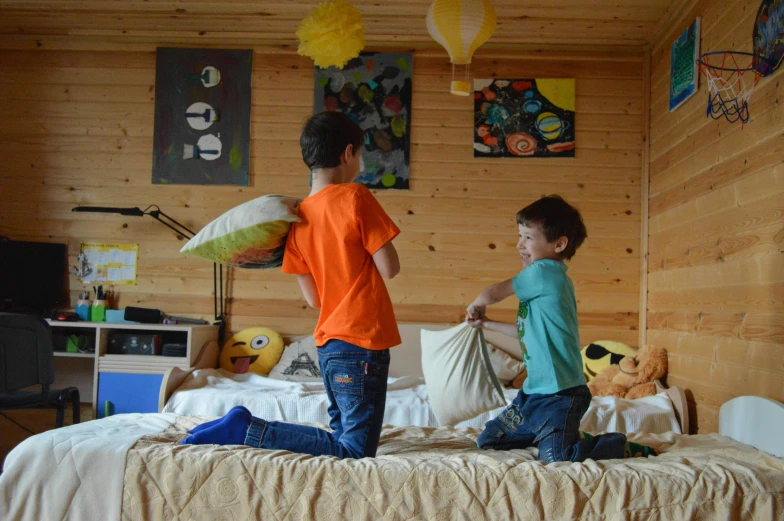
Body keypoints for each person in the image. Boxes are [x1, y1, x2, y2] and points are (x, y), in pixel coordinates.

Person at [182, 111, 401, 458]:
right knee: (355, 449)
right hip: (362, 340)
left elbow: (314, 298)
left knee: (341, 436)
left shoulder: (295, 220)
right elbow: (390, 268)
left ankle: (244, 425)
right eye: (359, 154)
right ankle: (248, 428)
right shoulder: (355, 197)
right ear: (348, 153)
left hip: (329, 345)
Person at [466, 195, 656, 463]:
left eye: (528, 238)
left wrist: (476, 304)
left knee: (557, 457)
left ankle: (615, 446)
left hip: (560, 395)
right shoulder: (547, 282)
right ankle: (554, 434)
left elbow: (496, 292)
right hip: (532, 395)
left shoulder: (543, 271)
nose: (520, 244)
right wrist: (486, 324)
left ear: (559, 244)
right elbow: (525, 336)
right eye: (519, 236)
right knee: (489, 440)